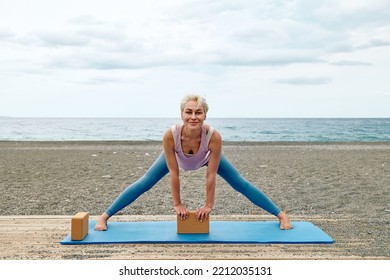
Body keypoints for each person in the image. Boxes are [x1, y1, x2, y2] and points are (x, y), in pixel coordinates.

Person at [95, 95, 293, 231]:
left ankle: (281, 215)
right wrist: (178, 204)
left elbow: (211, 175)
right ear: (181, 114)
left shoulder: (213, 136)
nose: (193, 117)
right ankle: (105, 216)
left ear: (205, 115)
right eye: (188, 112)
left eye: (198, 112)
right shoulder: (170, 135)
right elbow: (175, 173)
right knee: (144, 183)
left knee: (240, 183)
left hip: (205, 158)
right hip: (176, 156)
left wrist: (208, 205)